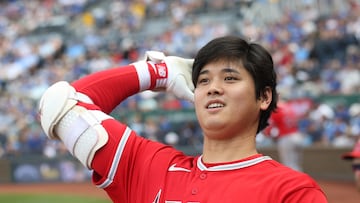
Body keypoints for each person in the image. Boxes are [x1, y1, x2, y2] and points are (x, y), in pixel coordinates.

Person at [38, 36, 327, 202]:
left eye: (230, 78)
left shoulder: (293, 192)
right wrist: (157, 73)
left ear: (264, 97)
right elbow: (59, 105)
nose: (213, 87)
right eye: (203, 80)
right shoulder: (148, 167)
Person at [264, 100, 305, 171]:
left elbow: (270, 126)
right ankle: (300, 180)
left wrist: (268, 134)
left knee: (289, 164)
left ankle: (294, 181)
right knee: (296, 163)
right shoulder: (290, 108)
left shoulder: (277, 109)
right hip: (297, 136)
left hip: (286, 138)